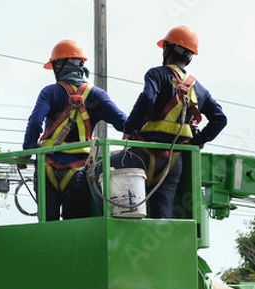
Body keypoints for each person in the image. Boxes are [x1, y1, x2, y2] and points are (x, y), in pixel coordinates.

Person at [107, 25, 227, 219]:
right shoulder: (199, 89)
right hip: (173, 160)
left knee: (98, 170)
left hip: (142, 154)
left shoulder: (157, 74)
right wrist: (196, 142)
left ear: (167, 49)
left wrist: (130, 129)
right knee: (163, 214)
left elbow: (147, 98)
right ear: (189, 57)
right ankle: (161, 245)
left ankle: (113, 224)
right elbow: (220, 119)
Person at [23, 39, 127, 221]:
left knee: (48, 230)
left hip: (46, 169)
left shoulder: (50, 92)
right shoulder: (96, 95)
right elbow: (124, 123)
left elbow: (35, 123)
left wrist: (28, 150)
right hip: (77, 173)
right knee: (75, 228)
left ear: (59, 66)